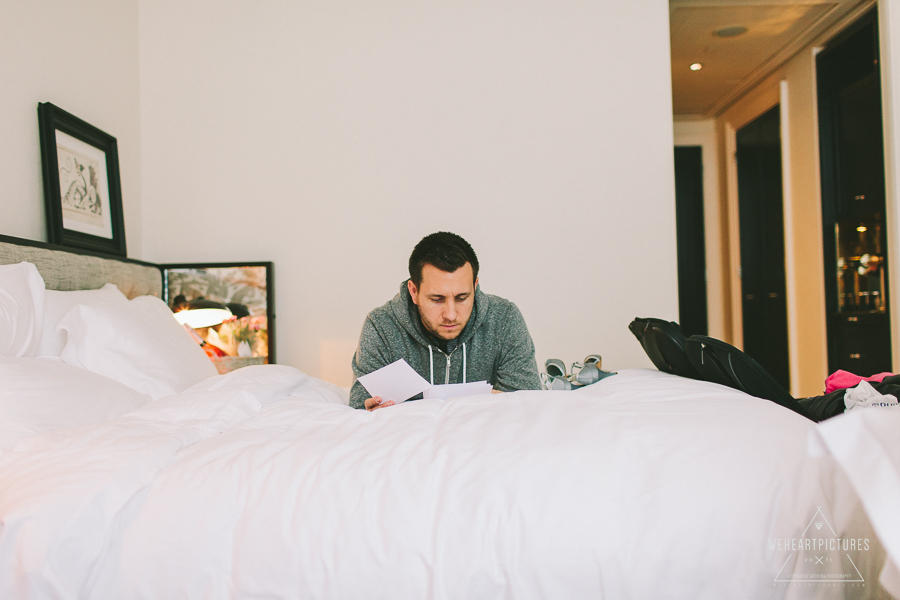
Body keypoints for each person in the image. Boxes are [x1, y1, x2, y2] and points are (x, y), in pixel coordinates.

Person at [350, 231, 541, 410]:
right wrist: (369, 411)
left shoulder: (504, 319)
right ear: (414, 291)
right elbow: (360, 406)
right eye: (437, 299)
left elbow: (527, 403)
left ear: (475, 286)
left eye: (462, 298)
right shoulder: (381, 326)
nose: (450, 314)